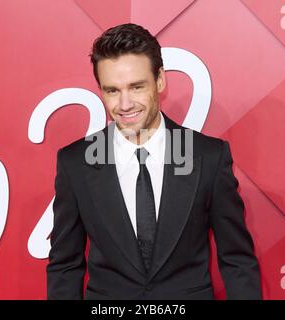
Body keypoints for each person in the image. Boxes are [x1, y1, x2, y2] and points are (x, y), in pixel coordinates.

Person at [46, 23, 262, 300]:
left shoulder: (208, 157)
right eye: (112, 91)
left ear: (160, 80)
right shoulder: (75, 163)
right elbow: (65, 265)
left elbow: (237, 261)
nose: (124, 105)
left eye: (136, 87)